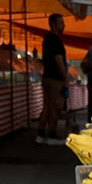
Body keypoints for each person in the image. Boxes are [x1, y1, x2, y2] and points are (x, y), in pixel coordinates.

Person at [38, 12, 69, 144]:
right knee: (54, 108)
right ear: (53, 25)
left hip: (47, 77)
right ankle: (52, 135)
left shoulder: (47, 39)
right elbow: (59, 61)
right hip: (55, 79)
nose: (64, 26)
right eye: (61, 23)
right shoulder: (55, 40)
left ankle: (40, 135)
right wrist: (65, 77)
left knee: (46, 107)